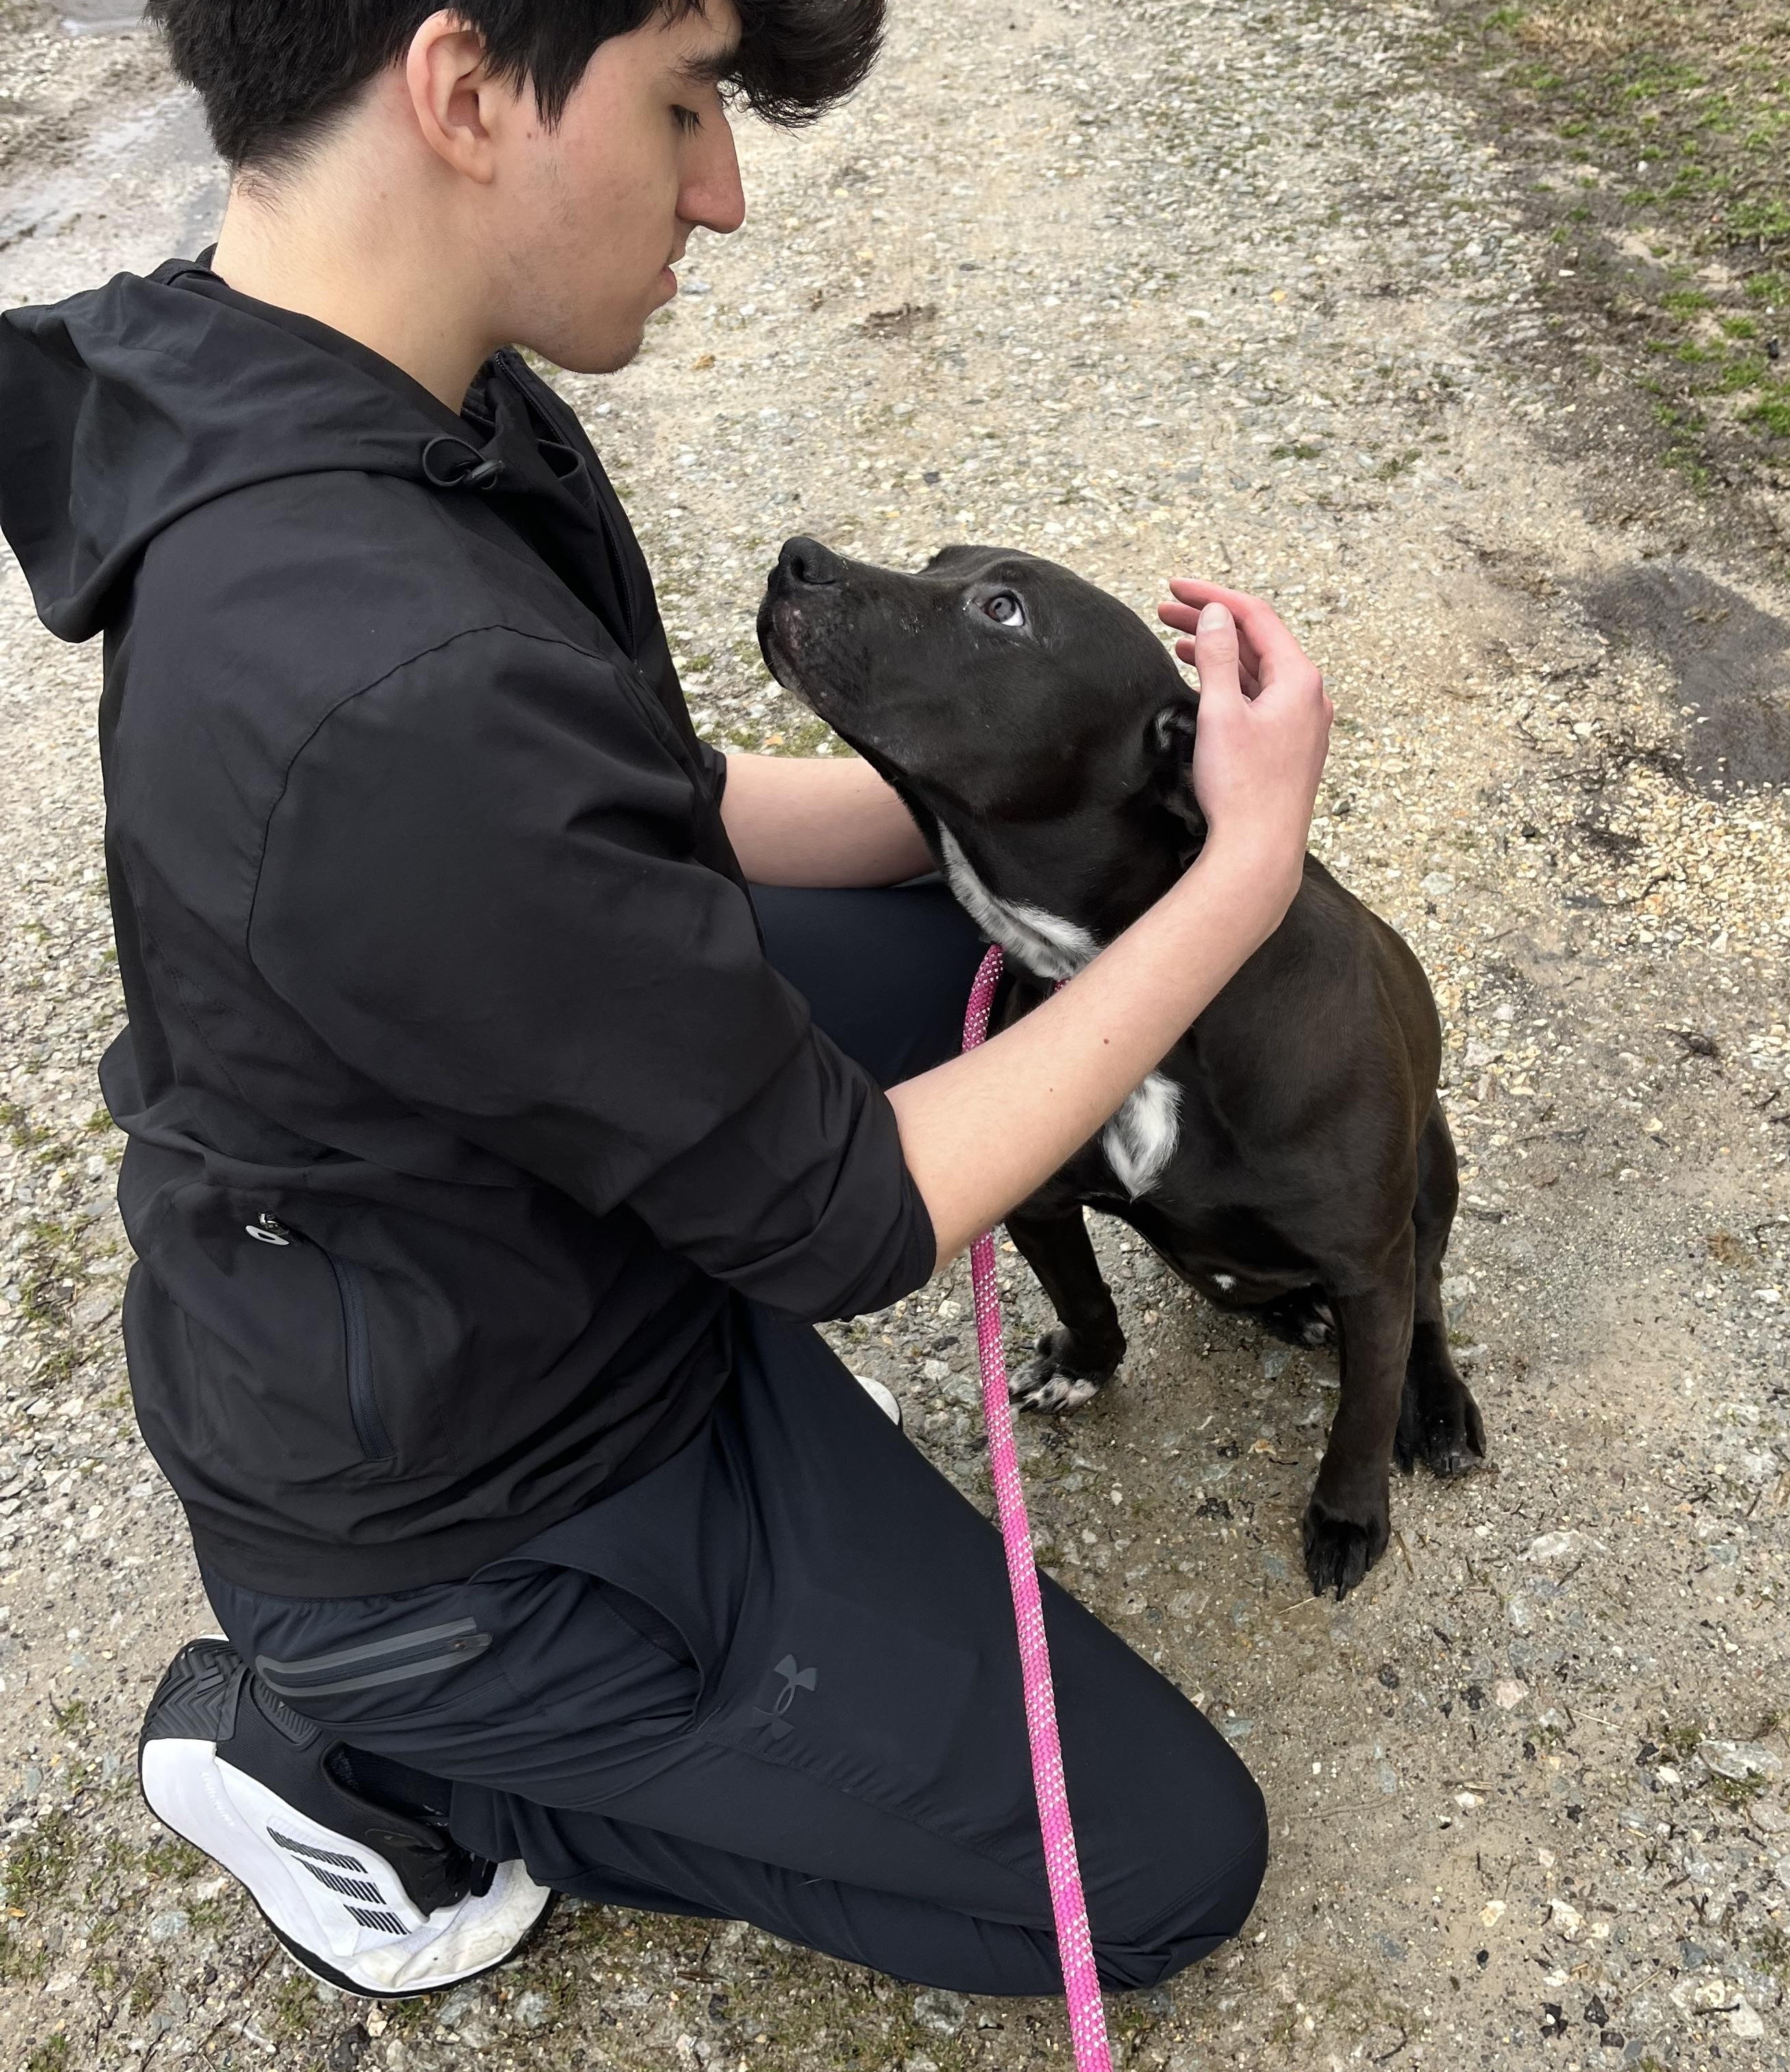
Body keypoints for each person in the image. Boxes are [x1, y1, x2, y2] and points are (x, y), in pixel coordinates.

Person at [0, 0, 1334, 2006]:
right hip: (478, 1509)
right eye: (684, 106)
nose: (719, 193)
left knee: (974, 959)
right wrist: (1242, 876)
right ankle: (350, 1754)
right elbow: (852, 1221)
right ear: (461, 92)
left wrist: (1038, 818)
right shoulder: (378, 682)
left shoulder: (372, 393)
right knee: (1158, 1875)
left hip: (524, 1227)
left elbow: (649, 809)